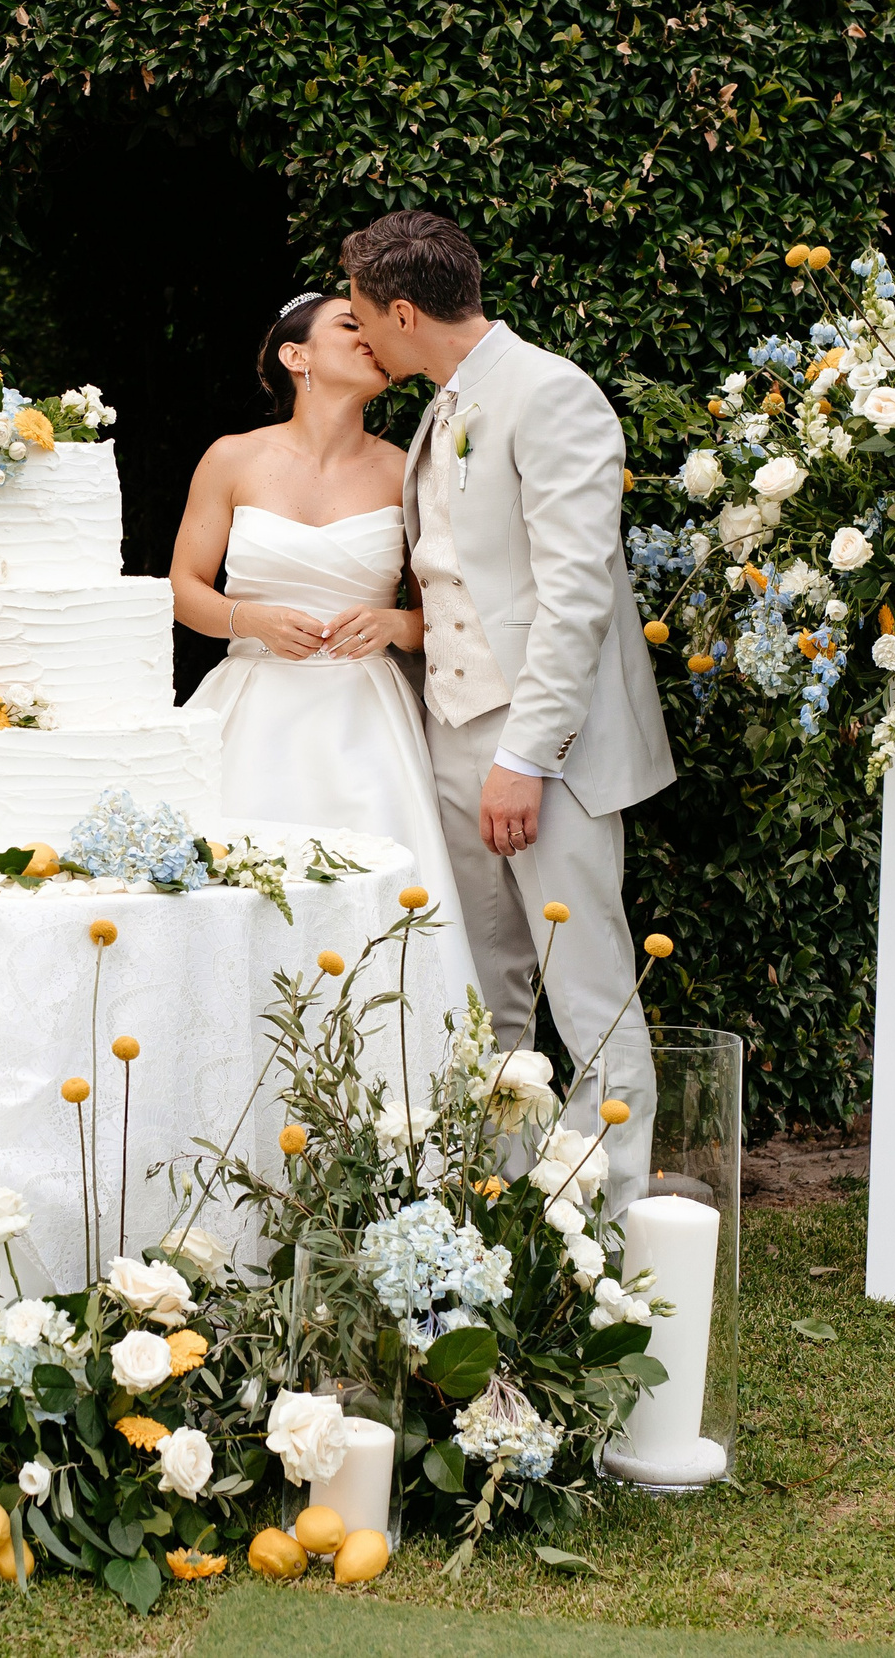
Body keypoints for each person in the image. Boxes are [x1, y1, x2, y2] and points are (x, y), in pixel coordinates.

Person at [339, 209, 674, 1154]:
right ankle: (506, 1215)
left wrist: (524, 756)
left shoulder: (550, 393)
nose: (357, 332)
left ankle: (606, 1227)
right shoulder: (441, 407)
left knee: (587, 986)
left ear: (403, 311)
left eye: (362, 314)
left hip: (541, 743)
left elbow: (576, 599)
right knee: (485, 991)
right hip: (450, 725)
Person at [170, 291, 477, 1010]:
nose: (368, 334)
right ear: (295, 355)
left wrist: (397, 627)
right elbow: (183, 589)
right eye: (349, 324)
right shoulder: (232, 457)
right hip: (251, 711)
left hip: (364, 718)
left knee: (374, 903)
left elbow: (450, 609)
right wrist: (248, 617)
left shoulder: (407, 469)